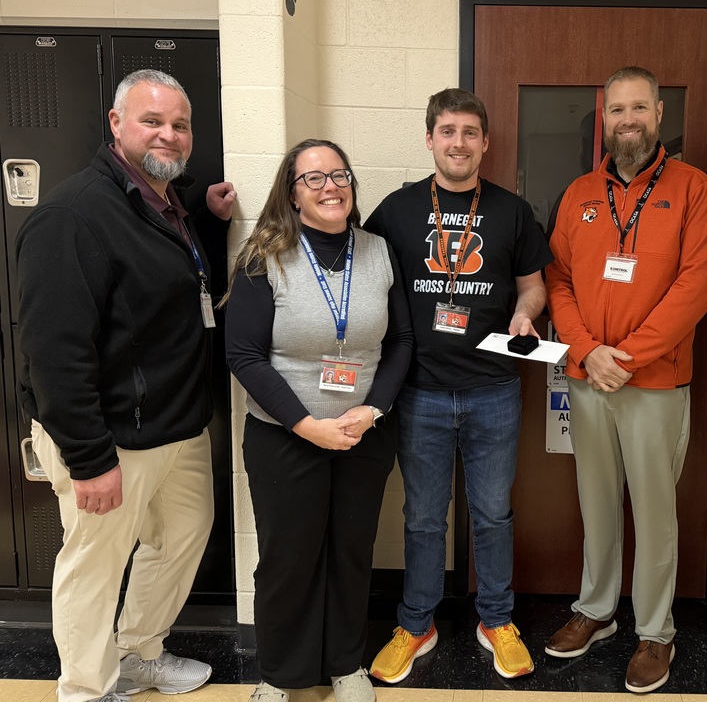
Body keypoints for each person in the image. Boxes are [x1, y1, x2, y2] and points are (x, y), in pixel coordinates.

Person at [16, 69, 236, 702]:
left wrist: (210, 224)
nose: (169, 134)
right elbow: (54, 353)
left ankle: (140, 653)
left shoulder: (166, 205)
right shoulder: (73, 215)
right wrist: (89, 458)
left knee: (186, 533)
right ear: (116, 125)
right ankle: (86, 688)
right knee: (94, 563)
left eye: (180, 125)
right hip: (108, 437)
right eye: (152, 121)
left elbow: (174, 288)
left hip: (175, 426)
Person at [544, 66, 707, 693]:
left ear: (658, 116)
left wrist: (627, 357)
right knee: (595, 502)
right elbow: (558, 280)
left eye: (639, 108)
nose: (628, 120)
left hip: (654, 383)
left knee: (654, 511)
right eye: (617, 109)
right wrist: (588, 351)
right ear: (604, 119)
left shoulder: (692, 189)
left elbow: (697, 285)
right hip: (588, 377)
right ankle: (597, 612)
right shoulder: (578, 194)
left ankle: (655, 631)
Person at [364, 88, 552, 683]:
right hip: (418, 392)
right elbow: (360, 276)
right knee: (423, 516)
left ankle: (495, 619)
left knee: (493, 514)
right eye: (447, 131)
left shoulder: (511, 211)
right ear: (429, 139)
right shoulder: (395, 211)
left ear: (486, 142)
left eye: (470, 133)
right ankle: (416, 622)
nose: (459, 143)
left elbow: (533, 285)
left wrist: (528, 313)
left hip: (494, 388)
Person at [224, 139, 413, 702]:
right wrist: (307, 425)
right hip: (285, 438)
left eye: (339, 175)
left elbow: (401, 341)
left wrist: (371, 410)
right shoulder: (265, 255)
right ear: (292, 193)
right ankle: (280, 675)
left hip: (363, 435)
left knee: (351, 552)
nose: (330, 186)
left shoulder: (378, 251)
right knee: (288, 559)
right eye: (313, 179)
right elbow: (244, 356)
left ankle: (345, 665)